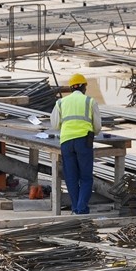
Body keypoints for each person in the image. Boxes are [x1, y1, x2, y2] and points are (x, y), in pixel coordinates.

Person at [50, 73, 102, 215]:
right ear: (84, 87)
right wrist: (92, 131)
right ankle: (81, 209)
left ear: (71, 88)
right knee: (85, 177)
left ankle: (76, 208)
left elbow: (54, 124)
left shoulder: (61, 102)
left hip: (66, 141)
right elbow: (97, 126)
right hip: (84, 141)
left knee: (71, 177)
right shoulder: (89, 101)